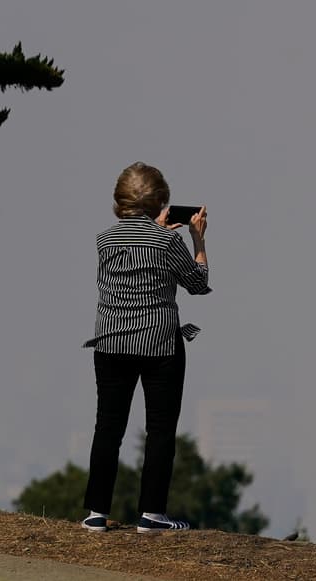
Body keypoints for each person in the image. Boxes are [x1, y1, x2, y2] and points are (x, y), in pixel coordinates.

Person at [80, 162, 211, 533]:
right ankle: (152, 514)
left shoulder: (104, 239)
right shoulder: (169, 241)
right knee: (160, 429)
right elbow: (198, 283)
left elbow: (134, 261)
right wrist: (198, 239)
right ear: (161, 202)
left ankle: (95, 512)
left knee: (107, 427)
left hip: (111, 340)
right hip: (159, 342)